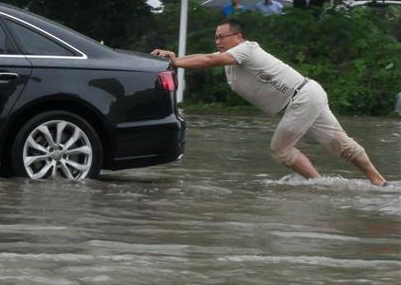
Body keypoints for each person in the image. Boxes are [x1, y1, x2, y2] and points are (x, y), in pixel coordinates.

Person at [150, 19, 387, 186]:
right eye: (216, 38)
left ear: (238, 37)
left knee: (280, 149)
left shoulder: (246, 49)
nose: (218, 41)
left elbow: (211, 60)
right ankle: (378, 181)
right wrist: (176, 59)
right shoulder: (231, 60)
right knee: (340, 143)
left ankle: (318, 183)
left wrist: (178, 62)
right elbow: (208, 57)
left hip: (301, 98)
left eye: (222, 37)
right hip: (307, 96)